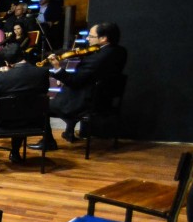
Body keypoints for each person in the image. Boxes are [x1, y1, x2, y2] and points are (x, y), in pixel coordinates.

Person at [32, 21, 127, 149]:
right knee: (64, 90)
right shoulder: (120, 52)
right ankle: (69, 131)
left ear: (103, 38)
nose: (87, 38)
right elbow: (89, 77)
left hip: (86, 102)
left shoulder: (96, 58)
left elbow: (74, 81)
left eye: (91, 36)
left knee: (41, 105)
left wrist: (57, 68)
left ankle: (48, 141)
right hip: (105, 99)